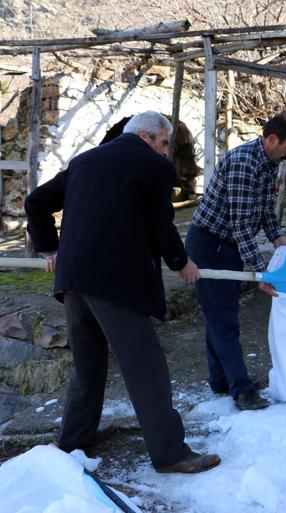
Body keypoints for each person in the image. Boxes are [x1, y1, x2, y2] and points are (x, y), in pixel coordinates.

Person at [24, 111, 220, 474]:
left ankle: (73, 444)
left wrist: (50, 249)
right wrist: (181, 262)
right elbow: (161, 224)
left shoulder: (84, 160)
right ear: (147, 137)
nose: (165, 153)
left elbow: (35, 201)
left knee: (88, 365)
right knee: (146, 368)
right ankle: (170, 453)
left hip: (73, 279)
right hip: (115, 281)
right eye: (163, 144)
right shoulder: (153, 166)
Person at [185, 112, 286, 410]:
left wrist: (278, 237)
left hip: (229, 245)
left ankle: (220, 379)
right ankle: (242, 390)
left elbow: (262, 210)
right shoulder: (244, 164)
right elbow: (239, 224)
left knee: (218, 312)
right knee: (224, 318)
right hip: (211, 244)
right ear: (272, 139)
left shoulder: (268, 163)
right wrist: (262, 274)